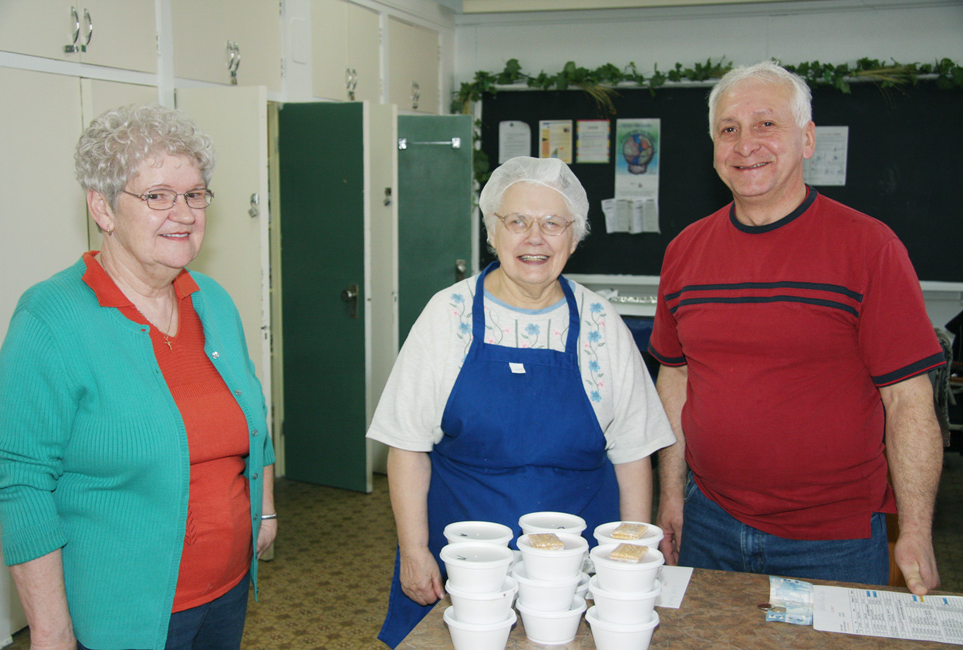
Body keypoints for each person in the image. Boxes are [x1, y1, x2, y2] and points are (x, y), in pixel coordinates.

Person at [649, 61, 944, 594]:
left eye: (766, 124)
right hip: (710, 523)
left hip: (834, 542)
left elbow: (908, 401)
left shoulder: (869, 247)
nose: (745, 145)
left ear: (807, 140)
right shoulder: (685, 251)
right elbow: (675, 378)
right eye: (729, 129)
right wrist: (671, 495)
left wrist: (918, 529)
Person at [0, 104, 276, 650]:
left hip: (228, 592)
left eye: (194, 194)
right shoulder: (50, 319)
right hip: (122, 614)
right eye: (158, 195)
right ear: (102, 208)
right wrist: (51, 632)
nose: (184, 212)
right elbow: (22, 483)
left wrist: (264, 512)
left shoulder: (211, 301)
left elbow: (251, 411)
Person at [367, 156, 675, 647]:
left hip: (576, 571)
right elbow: (406, 445)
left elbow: (633, 452)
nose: (535, 237)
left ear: (573, 238)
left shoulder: (600, 324)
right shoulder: (448, 316)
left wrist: (627, 559)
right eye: (517, 221)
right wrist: (414, 548)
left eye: (553, 223)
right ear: (493, 232)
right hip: (465, 568)